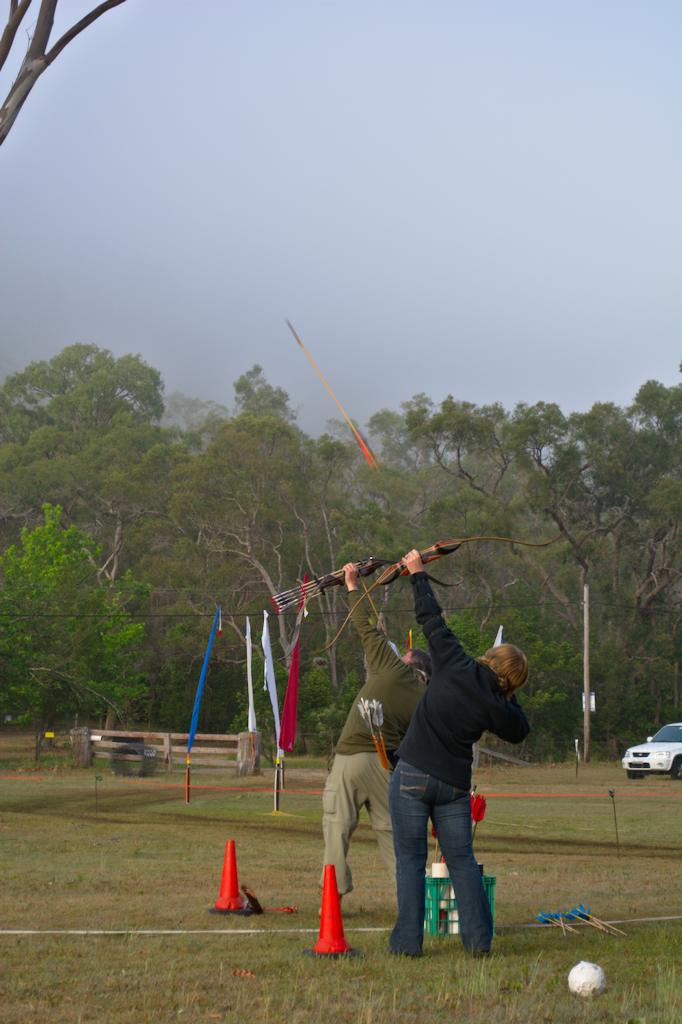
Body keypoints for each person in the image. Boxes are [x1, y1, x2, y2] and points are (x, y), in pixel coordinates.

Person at [389, 548, 530, 957]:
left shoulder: (454, 661)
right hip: (453, 786)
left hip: (413, 773)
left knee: (410, 863)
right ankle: (479, 943)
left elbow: (430, 618)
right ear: (510, 682)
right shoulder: (497, 706)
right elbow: (520, 730)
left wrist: (417, 573)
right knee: (463, 862)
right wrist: (507, 694)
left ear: (490, 657)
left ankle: (406, 946)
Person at [321, 562, 431, 896]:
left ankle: (333, 896)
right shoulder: (427, 699)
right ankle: (413, 898)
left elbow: (365, 629)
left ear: (411, 663)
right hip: (389, 767)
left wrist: (352, 584)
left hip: (352, 757)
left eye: (405, 654)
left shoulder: (392, 667)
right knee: (392, 835)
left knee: (336, 828)